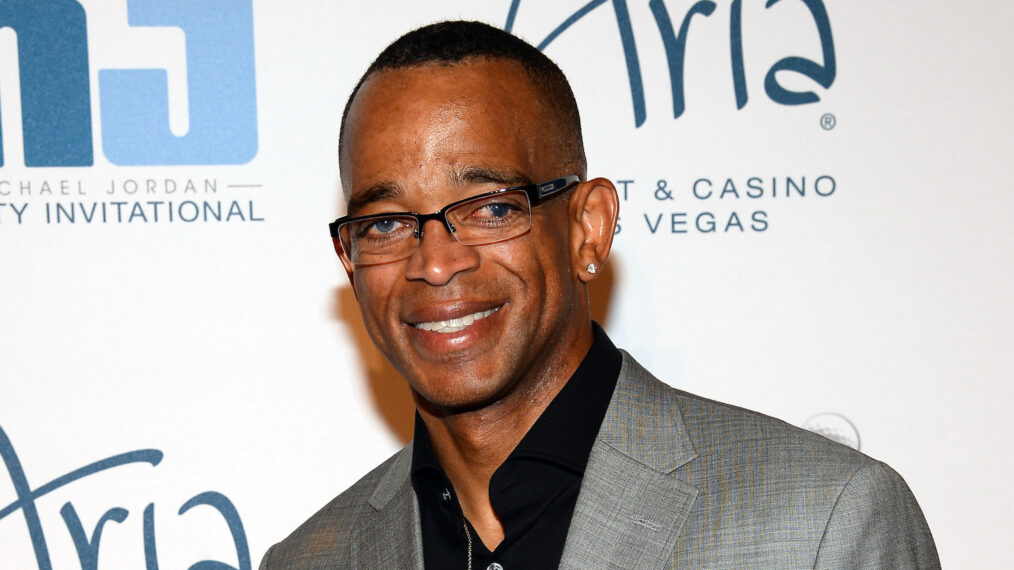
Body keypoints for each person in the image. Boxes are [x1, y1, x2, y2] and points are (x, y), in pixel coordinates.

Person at [261, 20, 939, 569]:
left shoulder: (821, 523)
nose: (435, 263)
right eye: (385, 223)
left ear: (589, 229)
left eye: (492, 208)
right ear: (349, 259)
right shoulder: (309, 560)